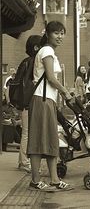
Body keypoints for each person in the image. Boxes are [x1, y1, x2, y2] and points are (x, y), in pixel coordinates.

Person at [27, 21, 74, 191]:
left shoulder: (50, 51)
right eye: (56, 33)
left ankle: (54, 179)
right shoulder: (46, 51)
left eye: (62, 33)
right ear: (47, 34)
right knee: (38, 140)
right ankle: (35, 180)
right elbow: (51, 78)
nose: (60, 36)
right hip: (42, 99)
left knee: (51, 139)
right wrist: (65, 92)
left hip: (47, 100)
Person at [17, 35, 42, 173]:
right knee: (27, 133)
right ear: (36, 47)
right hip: (29, 102)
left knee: (26, 132)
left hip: (24, 102)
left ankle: (22, 160)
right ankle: (24, 162)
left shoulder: (25, 61)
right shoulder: (33, 62)